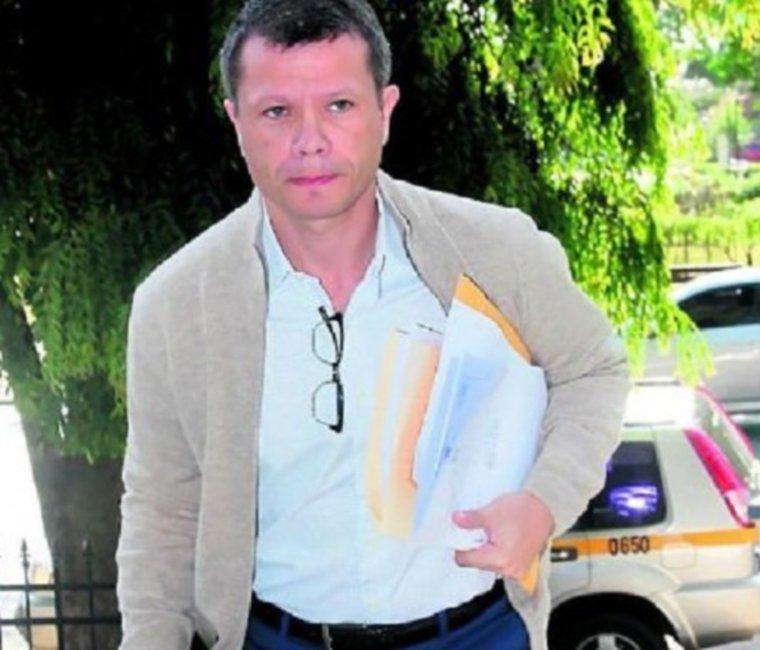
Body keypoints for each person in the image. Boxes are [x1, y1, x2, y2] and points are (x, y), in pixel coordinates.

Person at [115, 1, 631, 648]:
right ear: (235, 120)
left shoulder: (496, 251)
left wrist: (544, 501)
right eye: (277, 111)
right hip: (278, 639)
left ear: (385, 111)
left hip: (478, 633)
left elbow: (594, 371)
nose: (310, 139)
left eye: (339, 105)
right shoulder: (175, 305)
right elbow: (162, 510)